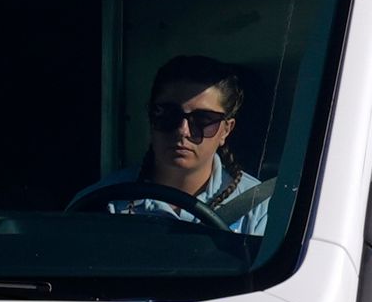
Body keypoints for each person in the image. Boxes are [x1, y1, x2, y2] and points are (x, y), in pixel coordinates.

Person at [75, 53, 272, 235]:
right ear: (151, 118)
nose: (182, 130)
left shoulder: (257, 207)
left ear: (226, 130)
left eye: (203, 119)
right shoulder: (102, 203)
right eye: (168, 115)